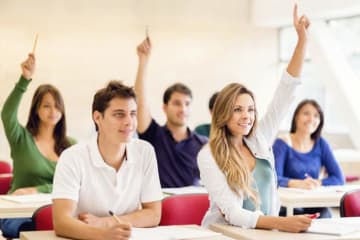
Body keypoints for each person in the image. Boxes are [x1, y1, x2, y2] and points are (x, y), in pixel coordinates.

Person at [198, 5, 313, 232]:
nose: (246, 116)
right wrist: (281, 223)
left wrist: (302, 41)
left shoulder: (259, 139)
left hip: (266, 233)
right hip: (226, 234)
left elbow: (286, 91)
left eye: (250, 109)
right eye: (238, 110)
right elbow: (232, 213)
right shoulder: (209, 155)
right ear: (223, 113)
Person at [52, 81, 162, 240]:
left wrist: (105, 223)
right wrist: (104, 235)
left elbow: (153, 214)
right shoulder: (72, 157)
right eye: (119, 114)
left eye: (132, 114)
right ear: (97, 117)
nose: (129, 122)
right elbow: (62, 222)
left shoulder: (145, 151)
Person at [0, 53, 74, 238]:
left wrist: (38, 189)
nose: (53, 111)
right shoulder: (21, 138)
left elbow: (76, 184)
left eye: (57, 106)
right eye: (47, 106)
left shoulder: (71, 146)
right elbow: (7, 114)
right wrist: (24, 79)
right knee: (34, 227)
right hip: (21, 214)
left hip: (57, 210)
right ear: (36, 109)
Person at [134, 38, 207, 188]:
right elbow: (140, 104)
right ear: (165, 107)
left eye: (187, 104)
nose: (183, 109)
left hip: (193, 206)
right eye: (177, 103)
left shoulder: (203, 144)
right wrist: (143, 61)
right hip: (161, 207)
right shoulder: (153, 135)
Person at [273, 99, 345, 218]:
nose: (311, 119)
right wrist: (296, 183)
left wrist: (318, 182)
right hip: (287, 207)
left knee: (327, 216)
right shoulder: (282, 143)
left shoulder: (321, 144)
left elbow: (339, 178)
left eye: (316, 115)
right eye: (306, 113)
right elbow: (273, 179)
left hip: (313, 204)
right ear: (296, 117)